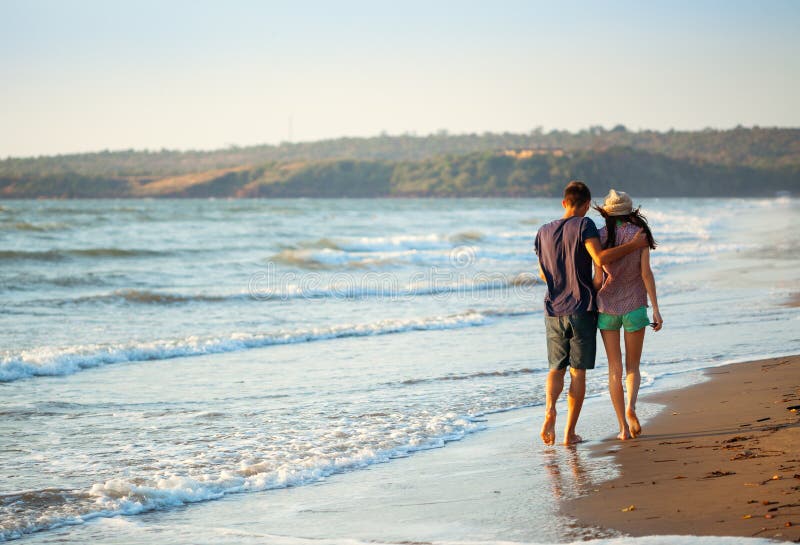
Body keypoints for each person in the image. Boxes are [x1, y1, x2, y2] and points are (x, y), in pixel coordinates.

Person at [535, 181, 648, 446]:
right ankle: (569, 433)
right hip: (581, 308)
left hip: (552, 309)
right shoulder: (584, 225)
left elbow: (542, 272)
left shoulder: (542, 231)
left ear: (564, 202)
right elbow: (600, 259)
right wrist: (633, 246)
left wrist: (559, 285)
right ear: (586, 205)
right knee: (578, 372)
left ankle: (550, 409)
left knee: (555, 368)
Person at [593, 189, 663, 440]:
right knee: (633, 367)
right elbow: (646, 274)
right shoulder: (640, 235)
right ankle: (632, 408)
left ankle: (622, 427)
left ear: (607, 213)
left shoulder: (599, 236)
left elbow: (598, 278)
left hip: (607, 307)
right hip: (634, 305)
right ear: (630, 211)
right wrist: (655, 307)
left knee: (614, 369)